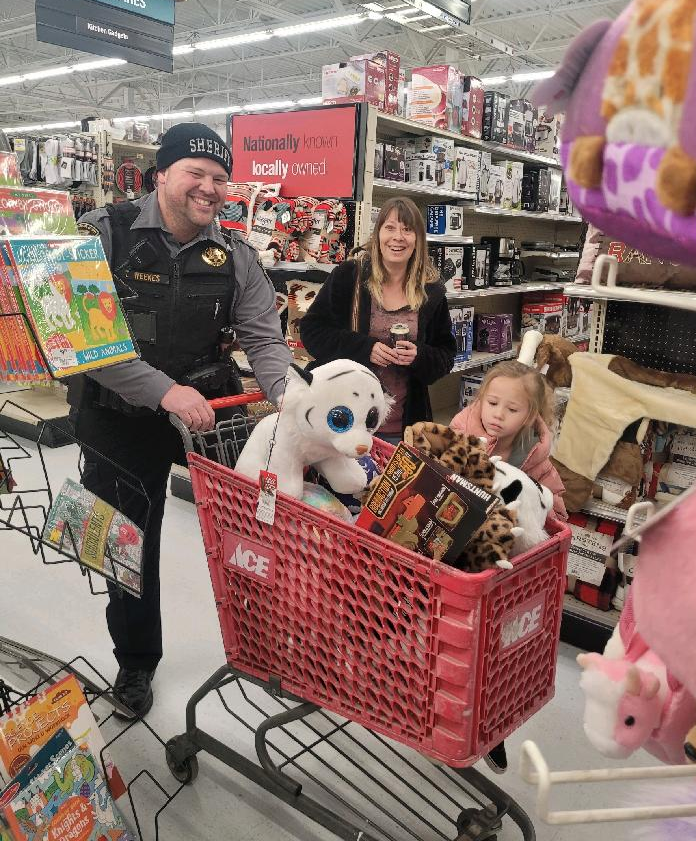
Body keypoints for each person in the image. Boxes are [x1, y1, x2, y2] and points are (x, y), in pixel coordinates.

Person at [67, 123, 293, 720]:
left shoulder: (236, 256)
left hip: (208, 412)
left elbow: (264, 340)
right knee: (125, 544)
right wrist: (164, 392)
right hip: (118, 415)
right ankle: (136, 662)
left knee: (266, 516)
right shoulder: (102, 235)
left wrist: (293, 401)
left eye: (219, 177)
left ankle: (275, 644)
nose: (209, 187)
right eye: (196, 172)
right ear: (161, 173)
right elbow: (84, 340)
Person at [450, 359, 568, 774]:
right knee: (453, 648)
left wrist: (544, 514)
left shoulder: (534, 455)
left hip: (506, 578)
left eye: (512, 409)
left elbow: (553, 508)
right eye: (492, 402)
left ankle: (490, 728)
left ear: (531, 415)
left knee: (496, 655)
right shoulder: (459, 434)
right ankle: (447, 717)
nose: (498, 414)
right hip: (458, 568)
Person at [300, 197, 455, 441]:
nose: (398, 237)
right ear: (378, 234)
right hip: (341, 423)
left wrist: (419, 356)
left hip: (400, 428)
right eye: (390, 228)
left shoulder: (431, 291)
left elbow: (445, 356)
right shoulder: (349, 276)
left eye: (407, 229)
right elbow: (312, 331)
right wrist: (365, 348)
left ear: (418, 239)